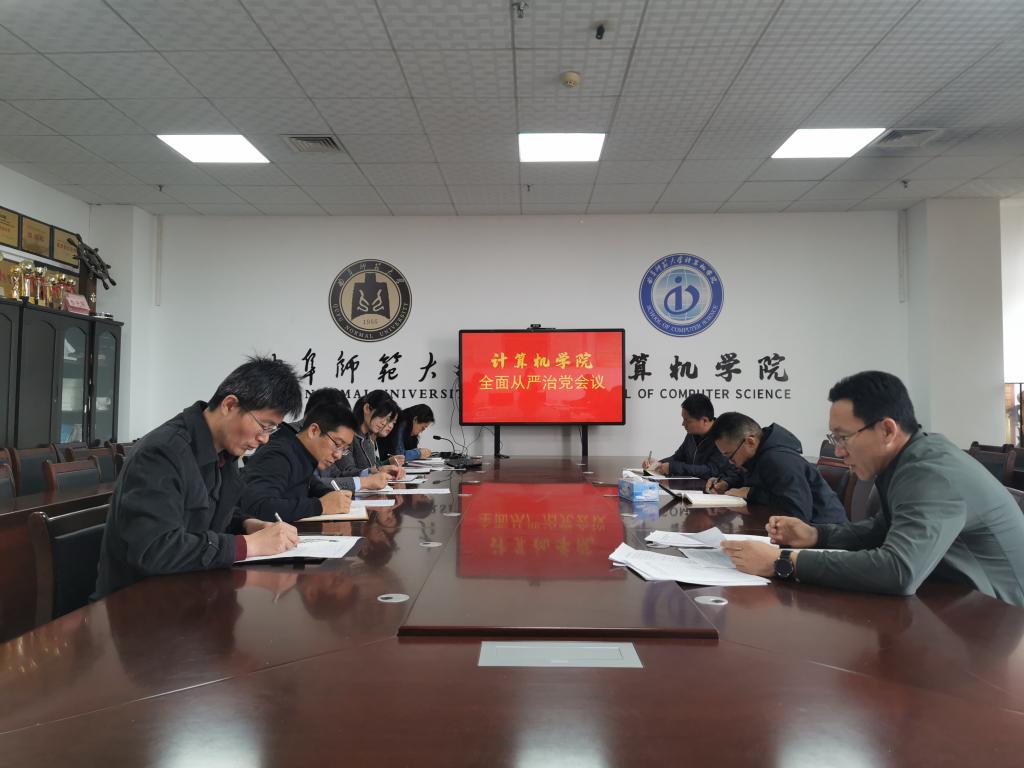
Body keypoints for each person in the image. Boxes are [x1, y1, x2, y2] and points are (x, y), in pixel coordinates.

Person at [722, 371, 1024, 607]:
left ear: (887, 430)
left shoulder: (931, 472)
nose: (838, 451)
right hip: (951, 604)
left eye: (843, 437)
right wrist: (816, 535)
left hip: (1000, 626)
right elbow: (881, 530)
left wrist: (782, 561)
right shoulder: (906, 460)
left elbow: (898, 570)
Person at [92, 356, 303, 599]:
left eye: (271, 430)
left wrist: (247, 524)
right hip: (136, 604)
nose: (264, 439)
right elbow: (155, 550)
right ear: (229, 405)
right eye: (264, 426)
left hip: (190, 592)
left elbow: (205, 515)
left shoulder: (223, 453)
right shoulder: (162, 453)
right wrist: (249, 545)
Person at [706, 412, 847, 523]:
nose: (730, 462)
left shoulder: (780, 460)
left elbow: (797, 511)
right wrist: (726, 483)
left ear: (750, 442)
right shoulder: (756, 455)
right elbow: (744, 475)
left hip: (825, 535)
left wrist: (751, 493)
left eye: (730, 455)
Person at [239, 401, 358, 523]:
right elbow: (257, 506)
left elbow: (312, 485)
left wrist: (332, 497)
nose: (338, 455)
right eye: (337, 444)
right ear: (314, 431)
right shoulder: (279, 454)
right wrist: (320, 506)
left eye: (344, 449)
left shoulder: (302, 454)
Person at [294, 388, 393, 493]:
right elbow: (309, 485)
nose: (339, 456)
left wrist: (373, 472)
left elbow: (337, 475)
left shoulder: (363, 439)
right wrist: (363, 482)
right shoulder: (290, 443)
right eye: (337, 444)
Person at [641, 394, 728, 478]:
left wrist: (673, 468)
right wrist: (657, 464)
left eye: (687, 420)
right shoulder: (692, 434)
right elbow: (678, 457)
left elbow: (711, 471)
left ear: (704, 420)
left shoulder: (723, 436)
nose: (683, 424)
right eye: (683, 419)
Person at [351, 390, 405, 478]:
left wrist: (387, 470)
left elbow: (374, 468)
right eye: (381, 416)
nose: (384, 423)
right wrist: (378, 471)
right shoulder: (348, 437)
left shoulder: (368, 439)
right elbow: (345, 473)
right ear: (367, 408)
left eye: (388, 419)